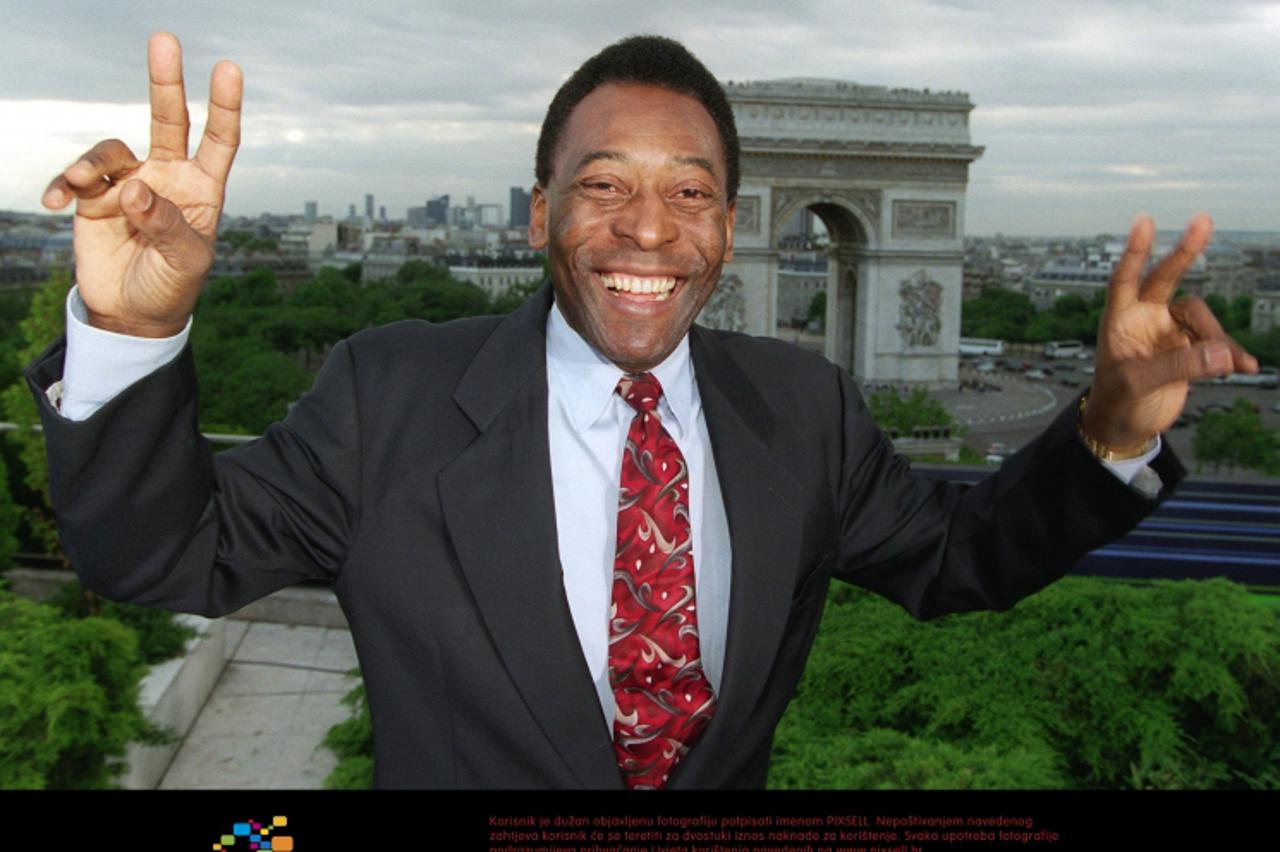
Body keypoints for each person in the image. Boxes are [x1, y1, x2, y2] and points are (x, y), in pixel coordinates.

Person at [28, 32, 1257, 789]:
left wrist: (1106, 424)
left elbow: (958, 561)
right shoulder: (387, 393)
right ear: (536, 213)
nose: (649, 232)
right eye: (603, 184)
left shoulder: (804, 408)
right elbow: (161, 554)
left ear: (732, 222)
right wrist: (135, 328)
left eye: (692, 193)